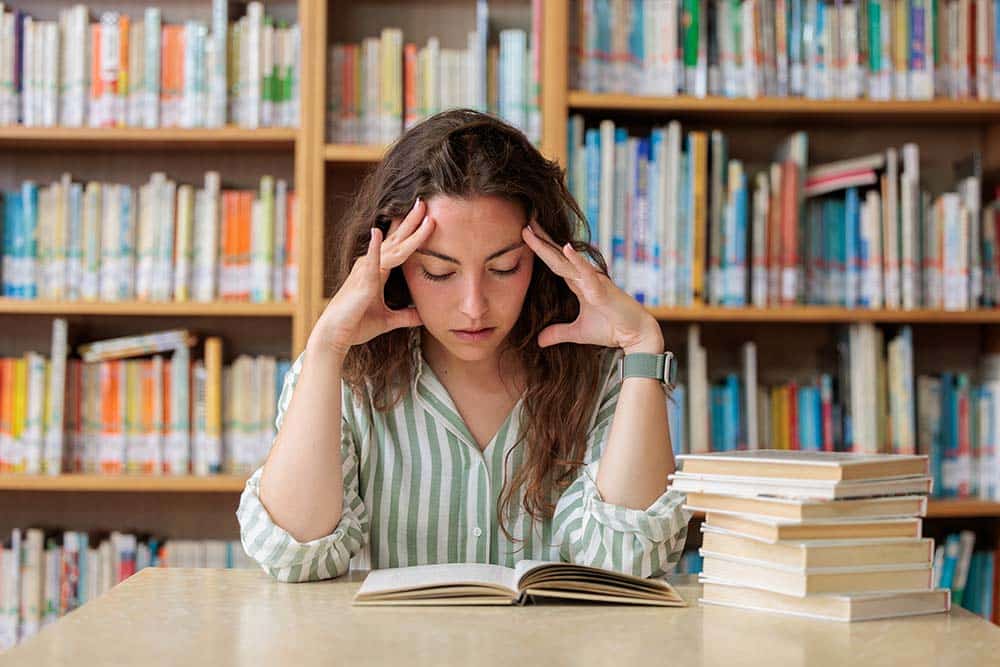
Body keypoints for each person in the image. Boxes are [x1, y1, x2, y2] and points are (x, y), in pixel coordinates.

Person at [236, 109, 689, 583]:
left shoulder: (606, 374)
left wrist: (642, 345)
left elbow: (630, 562)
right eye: (439, 272)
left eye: (504, 268)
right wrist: (327, 346)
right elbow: (294, 557)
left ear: (542, 258)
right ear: (395, 262)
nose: (474, 307)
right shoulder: (346, 375)